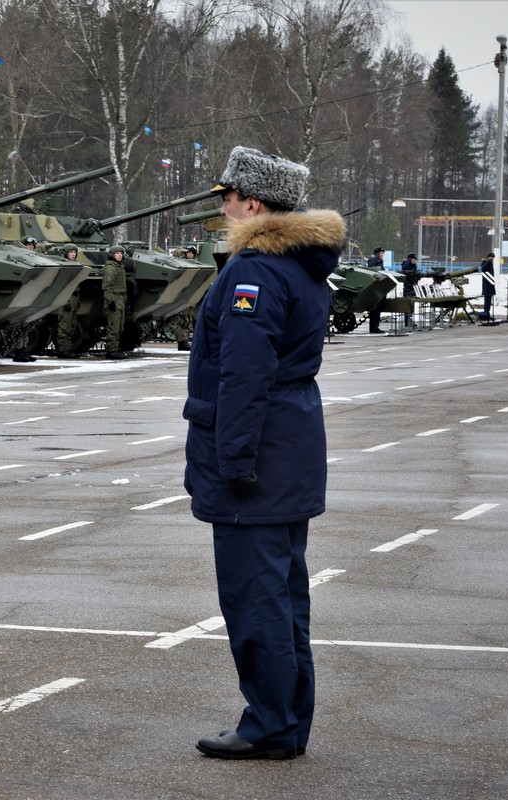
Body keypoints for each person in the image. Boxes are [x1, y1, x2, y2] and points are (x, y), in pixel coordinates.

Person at [185, 145, 344, 761]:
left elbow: (244, 377)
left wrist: (234, 462)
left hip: (259, 459)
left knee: (257, 603)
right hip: (287, 448)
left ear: (252, 204)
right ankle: (284, 720)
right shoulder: (295, 265)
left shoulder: (255, 271)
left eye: (227, 198)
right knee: (282, 597)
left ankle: (270, 725)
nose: (222, 209)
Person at [55, 246, 83, 358]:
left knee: (72, 325)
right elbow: (60, 286)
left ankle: (68, 348)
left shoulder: (75, 264)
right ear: (65, 253)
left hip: (74, 297)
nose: (73, 254)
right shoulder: (63, 265)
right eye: (71, 252)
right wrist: (65, 300)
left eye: (75, 252)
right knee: (64, 325)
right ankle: (62, 349)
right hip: (67, 297)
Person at [102, 245, 128, 359]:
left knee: (119, 326)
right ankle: (111, 350)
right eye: (117, 253)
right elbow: (107, 286)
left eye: (121, 253)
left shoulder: (119, 267)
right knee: (113, 326)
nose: (120, 255)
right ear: (112, 255)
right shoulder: (111, 268)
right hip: (114, 298)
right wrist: (110, 300)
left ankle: (115, 348)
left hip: (120, 298)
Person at [366, 246, 386, 332]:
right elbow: (370, 265)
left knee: (378, 309)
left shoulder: (380, 263)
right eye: (380, 253)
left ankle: (376, 326)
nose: (382, 255)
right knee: (375, 309)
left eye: (382, 254)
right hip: (374, 290)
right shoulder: (372, 260)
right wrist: (377, 257)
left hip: (380, 289)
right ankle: (373, 327)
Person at [400, 252, 419, 328]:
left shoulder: (413, 266)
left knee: (412, 306)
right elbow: (405, 268)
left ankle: (410, 321)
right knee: (407, 306)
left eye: (415, 259)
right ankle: (407, 322)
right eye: (413, 259)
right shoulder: (406, 265)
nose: (414, 261)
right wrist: (408, 261)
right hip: (408, 288)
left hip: (413, 287)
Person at [479, 251, 496, 320]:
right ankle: (485, 314)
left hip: (490, 285)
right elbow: (483, 268)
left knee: (489, 301)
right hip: (486, 286)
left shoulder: (490, 264)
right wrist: (488, 261)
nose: (491, 259)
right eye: (490, 258)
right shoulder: (485, 263)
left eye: (492, 258)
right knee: (486, 301)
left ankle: (487, 314)